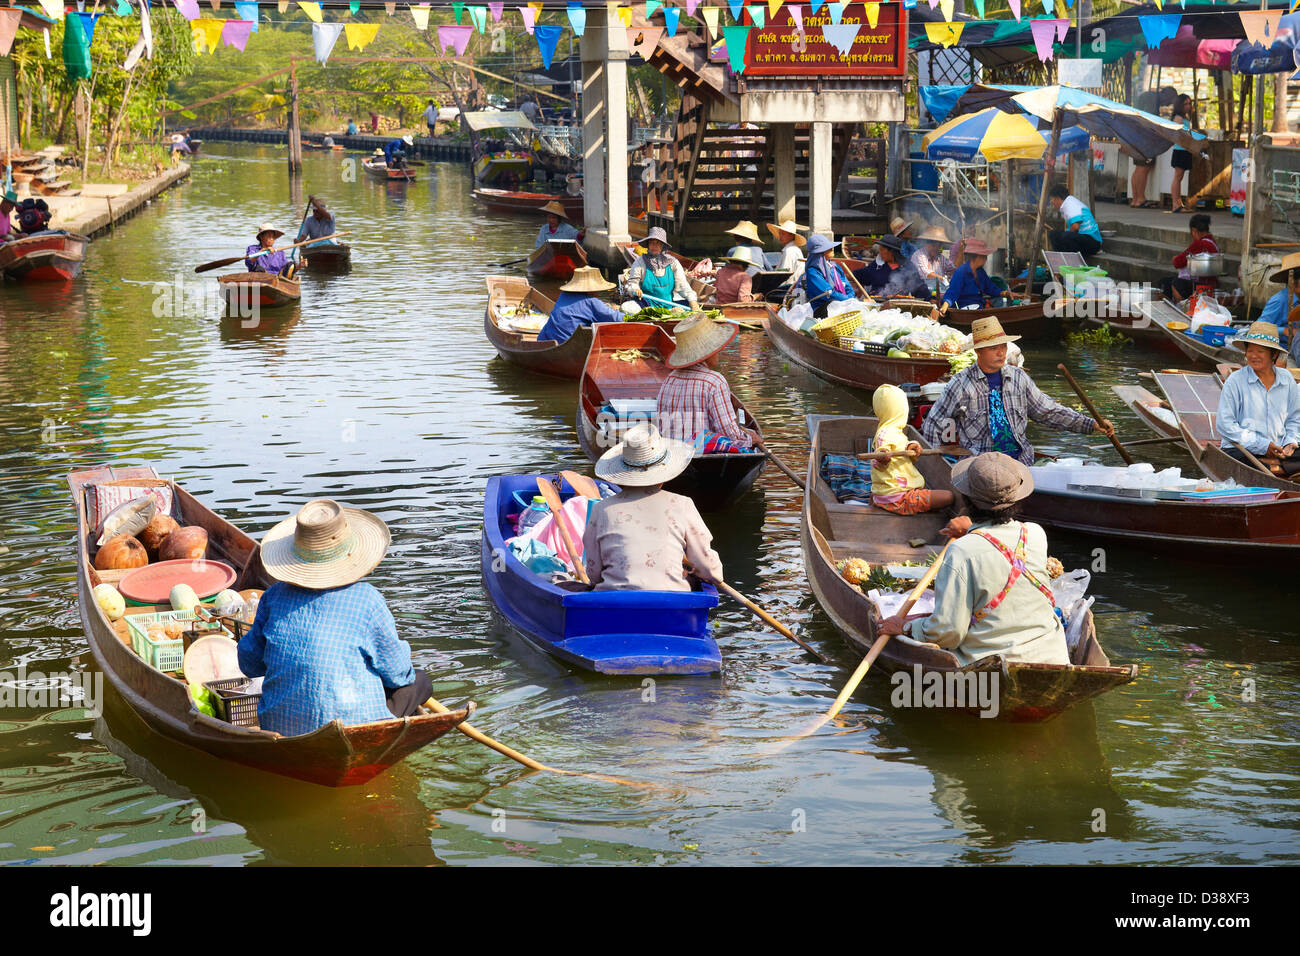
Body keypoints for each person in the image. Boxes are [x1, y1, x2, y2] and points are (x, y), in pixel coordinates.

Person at [237, 499, 435, 736]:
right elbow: (398, 673)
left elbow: (249, 664)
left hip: (281, 728)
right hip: (355, 729)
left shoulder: (273, 597)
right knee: (420, 682)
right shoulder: (368, 600)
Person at [877, 453, 1070, 669]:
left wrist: (906, 627)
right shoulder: (1035, 534)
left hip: (990, 664)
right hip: (1053, 657)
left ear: (967, 500)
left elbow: (947, 632)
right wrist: (970, 531)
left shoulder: (962, 551)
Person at [922, 316, 1115, 465]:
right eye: (993, 348)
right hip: (979, 464)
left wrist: (1091, 424)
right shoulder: (961, 384)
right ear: (978, 351)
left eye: (1003, 346)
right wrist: (933, 467)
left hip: (1020, 461)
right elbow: (934, 424)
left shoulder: (1018, 378)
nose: (1001, 352)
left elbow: (1048, 412)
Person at [582, 423, 725, 591]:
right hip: (673, 601)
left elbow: (594, 574)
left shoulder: (601, 509)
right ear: (664, 473)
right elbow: (709, 570)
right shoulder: (683, 504)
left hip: (614, 600)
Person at [656, 314, 758, 453]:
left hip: (673, 455)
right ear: (708, 353)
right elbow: (731, 435)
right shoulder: (714, 382)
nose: (719, 352)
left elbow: (662, 428)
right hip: (699, 455)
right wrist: (751, 439)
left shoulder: (670, 379)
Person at [1216, 321, 1300, 476]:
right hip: (1243, 448)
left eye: (1260, 351)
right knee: (1248, 465)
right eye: (1250, 351)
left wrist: (1290, 442)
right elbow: (1225, 425)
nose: (1253, 356)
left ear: (1274, 354)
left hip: (1279, 448)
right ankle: (1278, 468)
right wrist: (1262, 445)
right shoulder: (1235, 381)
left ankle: (1277, 465)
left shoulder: (1287, 379)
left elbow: (1294, 418)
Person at [870, 384, 955, 515]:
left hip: (893, 492)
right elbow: (879, 457)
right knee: (948, 497)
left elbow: (905, 455)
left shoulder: (894, 431)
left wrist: (911, 446)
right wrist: (882, 458)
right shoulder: (885, 434)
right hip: (899, 498)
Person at [537, 266, 622, 345]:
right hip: (568, 345)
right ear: (591, 290)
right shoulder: (591, 302)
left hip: (545, 340)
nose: (597, 293)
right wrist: (632, 316)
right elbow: (617, 319)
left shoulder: (564, 295)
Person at [624, 226, 699, 309]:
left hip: (669, 305)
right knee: (627, 308)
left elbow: (683, 285)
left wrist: (692, 300)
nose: (654, 246)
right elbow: (632, 283)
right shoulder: (640, 262)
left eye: (658, 243)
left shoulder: (673, 263)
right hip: (646, 305)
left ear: (662, 246)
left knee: (690, 304)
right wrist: (635, 289)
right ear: (648, 245)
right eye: (652, 242)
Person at [1130, 85, 1177, 208]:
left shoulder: (1149, 97)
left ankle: (1135, 199)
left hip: (1136, 137)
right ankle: (1140, 198)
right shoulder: (1152, 100)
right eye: (1169, 101)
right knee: (1142, 168)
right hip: (1144, 139)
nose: (1168, 104)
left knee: (1138, 168)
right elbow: (1149, 121)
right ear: (1165, 94)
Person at [1162, 213, 1219, 300]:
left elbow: (1178, 262)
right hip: (1212, 283)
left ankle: (1181, 307)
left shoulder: (1199, 244)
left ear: (1194, 230)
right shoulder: (1213, 243)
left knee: (1171, 283)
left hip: (1200, 285)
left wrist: (1174, 259)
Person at [854, 234, 928, 299]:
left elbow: (919, 287)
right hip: (876, 303)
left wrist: (930, 298)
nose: (880, 253)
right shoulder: (877, 265)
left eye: (882, 250)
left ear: (891, 252)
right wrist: (845, 276)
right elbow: (860, 275)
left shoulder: (907, 267)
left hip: (899, 306)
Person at [800, 234, 854, 316]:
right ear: (820, 253)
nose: (832, 248)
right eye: (827, 248)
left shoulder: (835, 267)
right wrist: (848, 299)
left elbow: (848, 287)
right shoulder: (813, 272)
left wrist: (851, 297)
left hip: (843, 303)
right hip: (823, 309)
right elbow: (829, 294)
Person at [1261, 252, 1300, 366]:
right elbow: (1259, 327)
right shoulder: (1279, 300)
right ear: (1294, 281)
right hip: (1281, 353)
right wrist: (1285, 331)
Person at [940, 237, 1001, 310]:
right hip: (965, 310)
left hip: (980, 307)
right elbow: (952, 292)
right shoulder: (961, 272)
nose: (986, 259)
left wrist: (1006, 293)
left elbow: (991, 288)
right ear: (976, 257)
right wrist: (945, 306)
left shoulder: (980, 272)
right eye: (984, 256)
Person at [1048, 184, 1103, 257]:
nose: (1052, 203)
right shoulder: (1067, 204)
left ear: (1058, 198)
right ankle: (1061, 258)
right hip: (1084, 238)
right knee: (1053, 234)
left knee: (1066, 237)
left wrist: (1064, 236)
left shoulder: (1070, 204)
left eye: (1052, 200)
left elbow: (1075, 227)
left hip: (1093, 243)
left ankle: (1070, 259)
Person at [1169, 93, 1196, 214]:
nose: (1188, 106)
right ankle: (1176, 204)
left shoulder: (1186, 118)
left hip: (1185, 149)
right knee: (1177, 177)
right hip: (1180, 150)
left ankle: (1179, 203)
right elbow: (1180, 134)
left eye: (1189, 103)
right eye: (1185, 104)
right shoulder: (1178, 118)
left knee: (1180, 177)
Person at [911, 225, 954, 292]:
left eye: (938, 246)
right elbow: (925, 273)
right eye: (933, 246)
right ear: (926, 244)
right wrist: (942, 278)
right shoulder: (919, 255)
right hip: (921, 291)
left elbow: (951, 268)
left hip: (938, 291)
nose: (936, 248)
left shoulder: (940, 257)